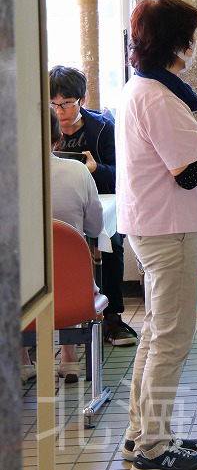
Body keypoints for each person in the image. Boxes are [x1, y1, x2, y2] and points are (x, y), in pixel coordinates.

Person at [117, 0, 197, 470]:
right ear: (176, 42)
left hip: (153, 225)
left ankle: (143, 435)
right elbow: (187, 173)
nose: (194, 43)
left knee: (156, 334)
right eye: (190, 35)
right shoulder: (158, 96)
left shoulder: (146, 88)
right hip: (166, 230)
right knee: (171, 338)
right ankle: (153, 446)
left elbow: (181, 157)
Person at [49, 65, 137, 347]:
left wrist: (96, 168)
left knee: (112, 238)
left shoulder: (101, 129)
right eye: (53, 104)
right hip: (54, 203)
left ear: (82, 100)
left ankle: (112, 317)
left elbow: (122, 174)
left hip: (96, 201)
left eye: (66, 104)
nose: (60, 111)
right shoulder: (39, 127)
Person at [48, 107, 103, 383]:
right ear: (58, 139)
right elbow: (95, 227)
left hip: (15, 295)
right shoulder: (77, 172)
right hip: (73, 291)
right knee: (64, 266)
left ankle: (22, 361)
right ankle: (68, 358)